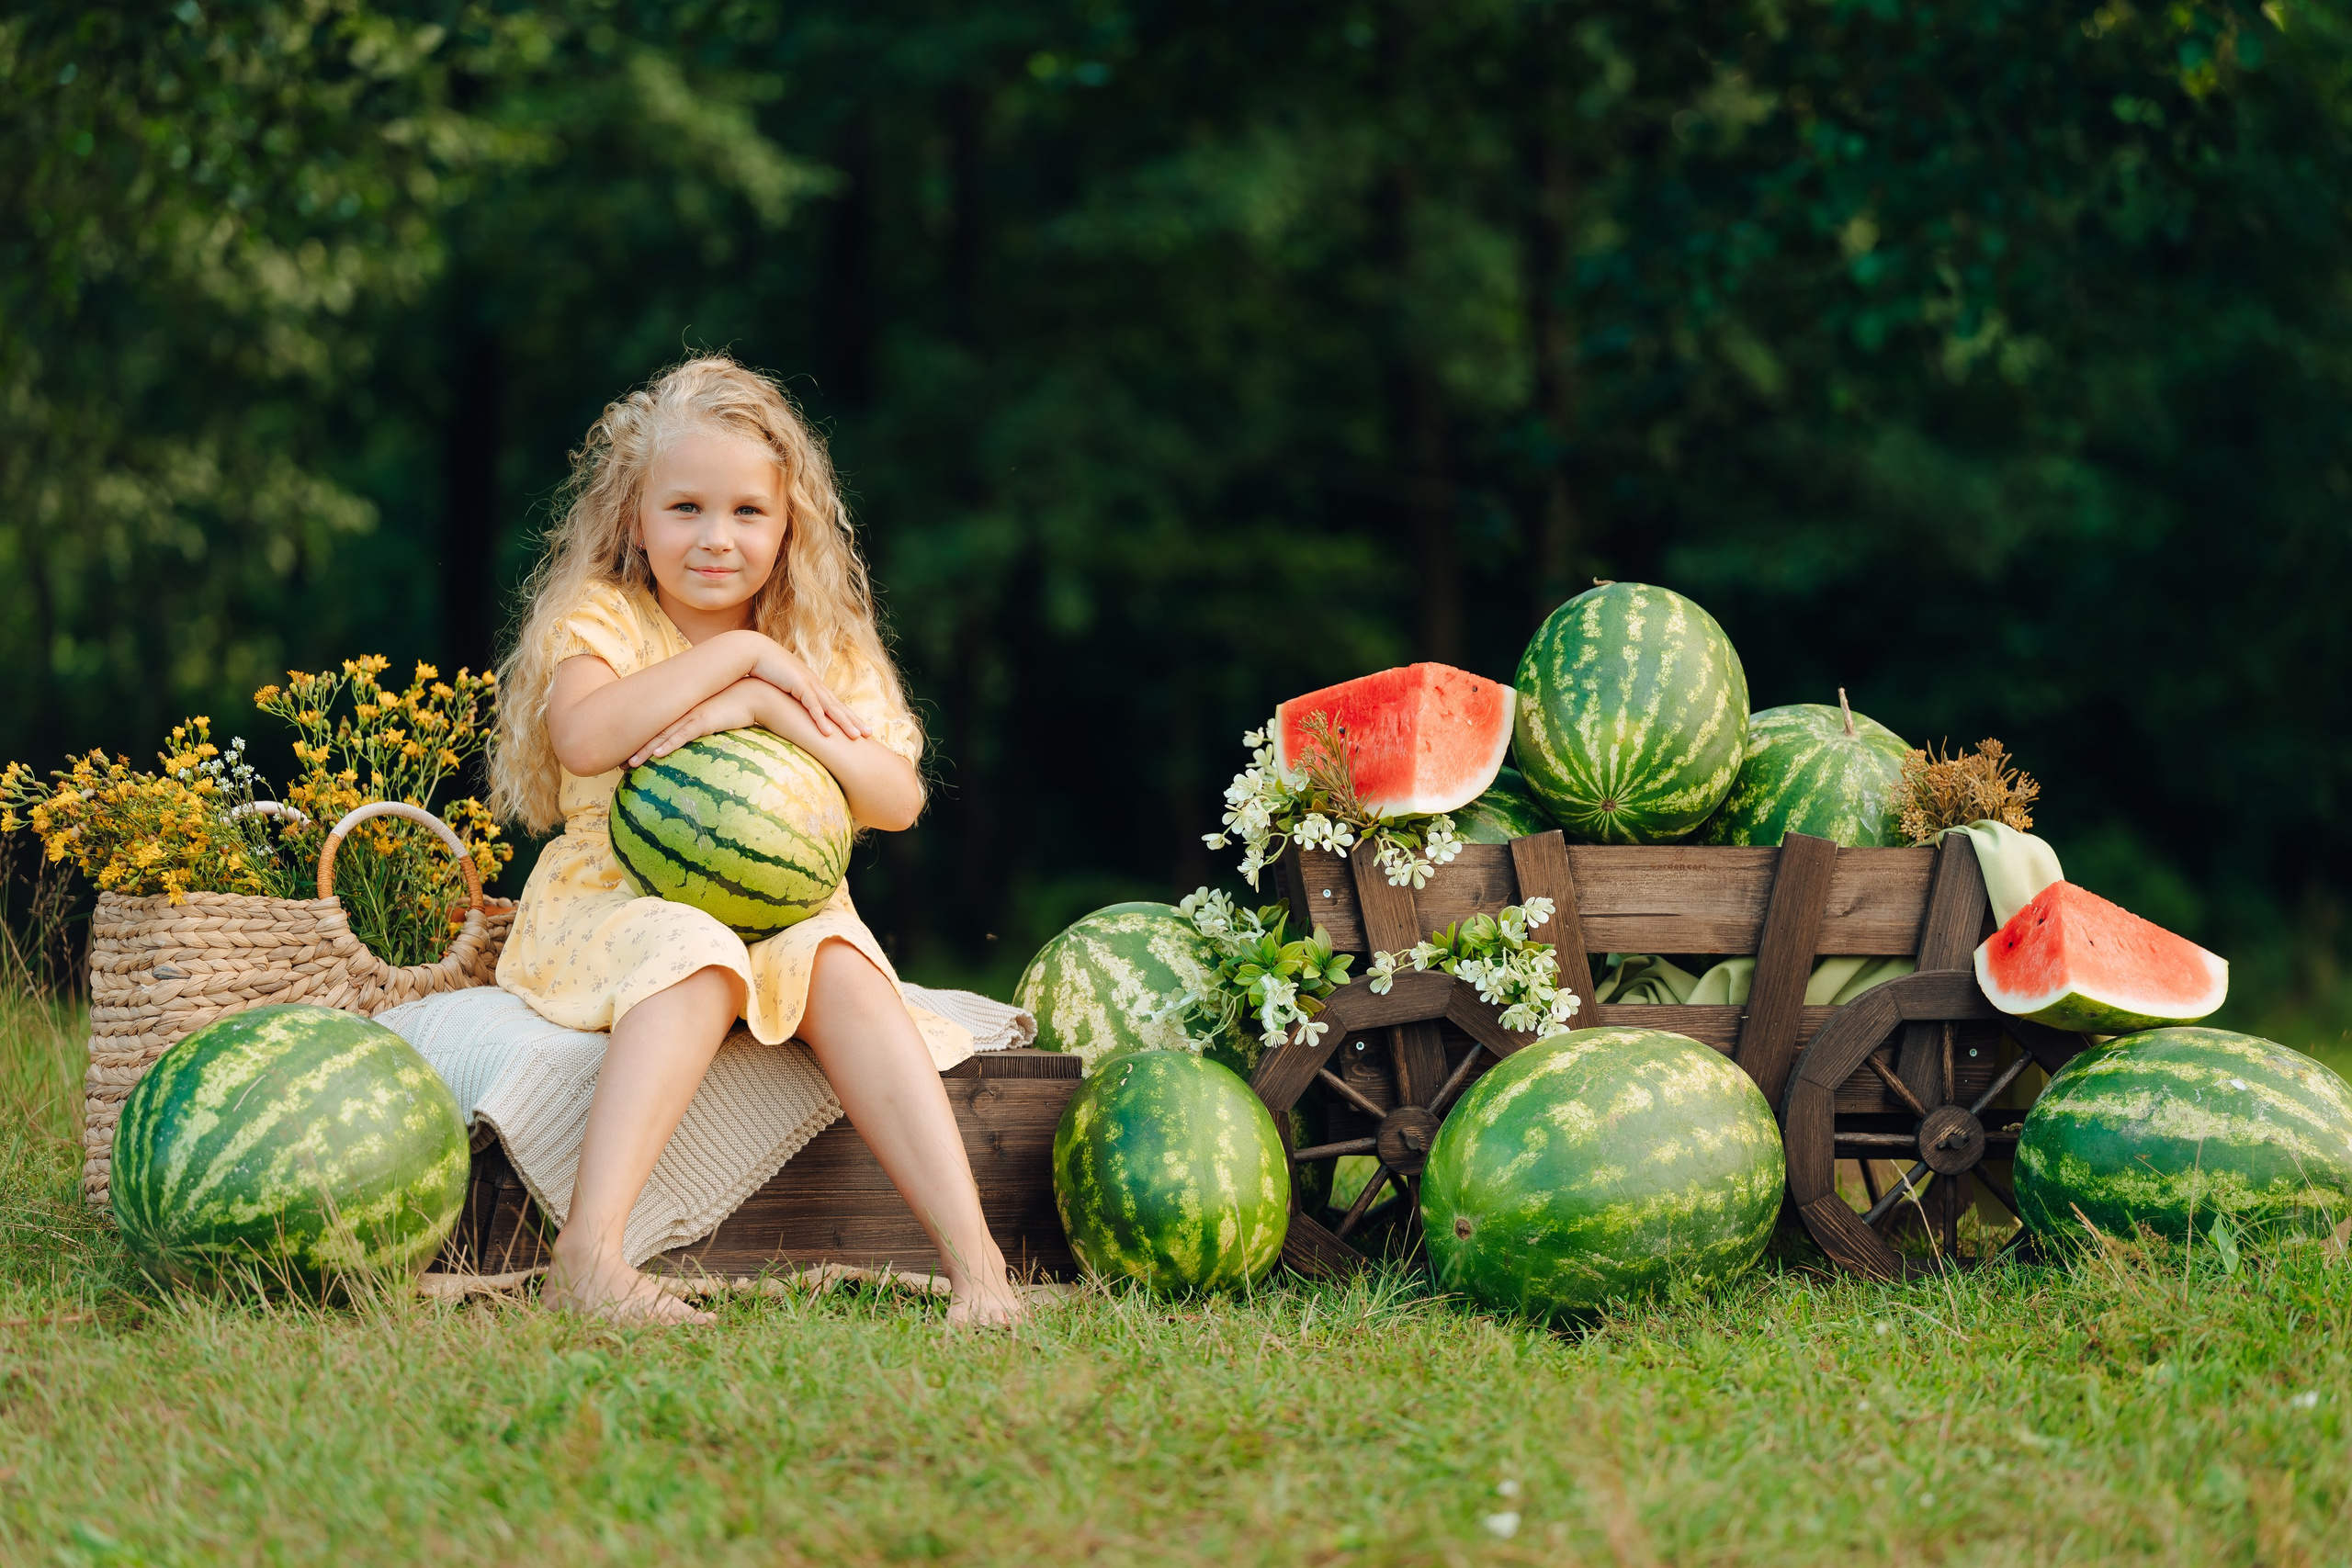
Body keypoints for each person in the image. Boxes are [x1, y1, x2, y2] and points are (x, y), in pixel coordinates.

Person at [489, 355, 1025, 1327]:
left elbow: (895, 798)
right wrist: (741, 656)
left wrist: (768, 704)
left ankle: (979, 1271)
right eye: (685, 508)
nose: (715, 537)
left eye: (747, 512)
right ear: (634, 518)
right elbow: (585, 738)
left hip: (782, 903)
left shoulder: (819, 636)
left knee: (845, 966)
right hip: (614, 896)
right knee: (694, 949)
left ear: (788, 526)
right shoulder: (604, 616)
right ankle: (588, 1258)